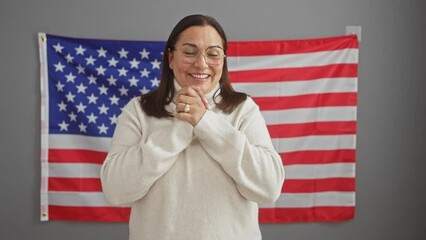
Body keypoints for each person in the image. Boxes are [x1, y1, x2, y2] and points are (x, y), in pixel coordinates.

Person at [100, 14, 285, 240]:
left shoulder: (244, 109)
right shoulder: (139, 110)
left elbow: (269, 188)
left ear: (223, 59)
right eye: (189, 52)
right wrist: (180, 129)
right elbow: (115, 190)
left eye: (213, 54)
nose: (201, 63)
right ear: (170, 57)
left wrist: (206, 123)